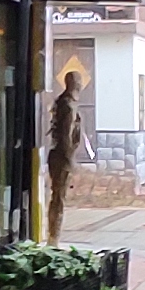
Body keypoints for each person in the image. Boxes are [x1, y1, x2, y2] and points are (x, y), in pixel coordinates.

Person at [46, 67, 86, 241]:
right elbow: (65, 135)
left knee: (58, 196)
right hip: (62, 157)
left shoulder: (62, 102)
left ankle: (54, 233)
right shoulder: (68, 106)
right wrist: (70, 161)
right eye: (78, 82)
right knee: (59, 197)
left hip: (58, 155)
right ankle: (54, 235)